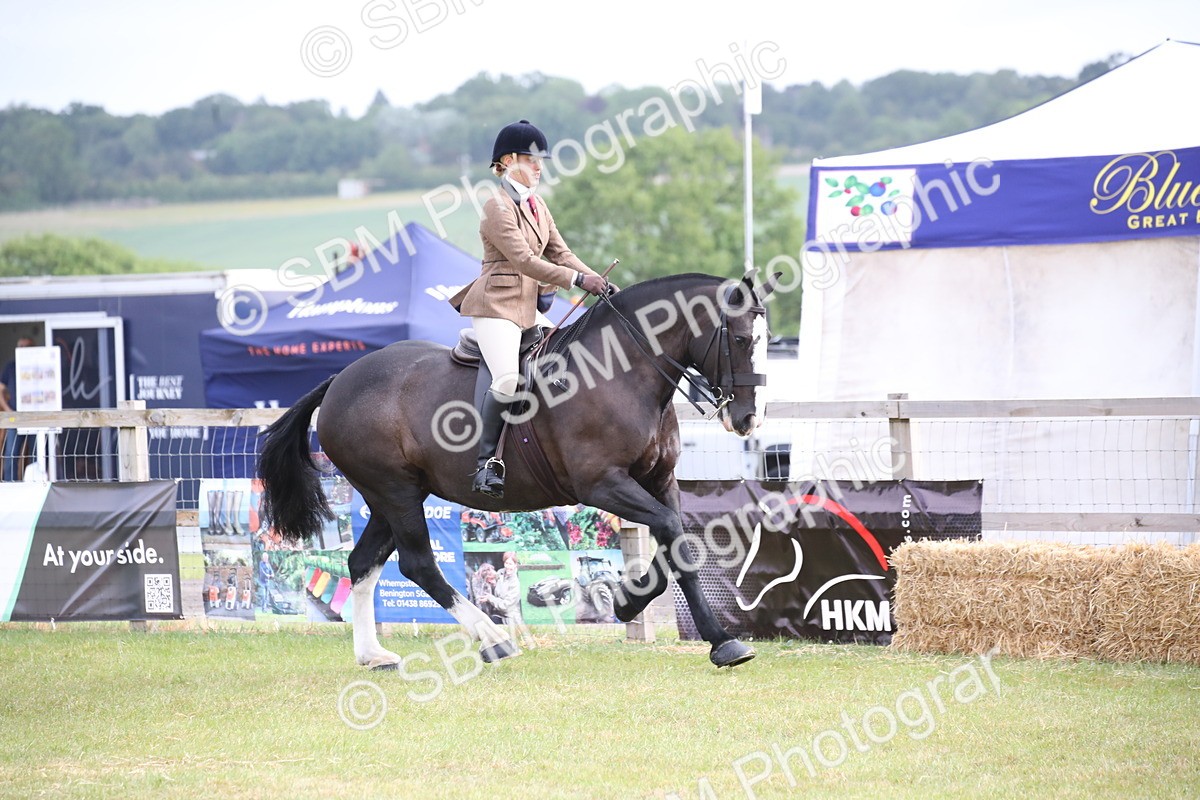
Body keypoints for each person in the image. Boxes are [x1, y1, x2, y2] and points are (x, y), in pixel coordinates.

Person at [449, 120, 616, 498]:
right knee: (507, 380)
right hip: (496, 305)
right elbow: (524, 260)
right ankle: (485, 465)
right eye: (532, 159)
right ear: (508, 161)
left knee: (567, 362)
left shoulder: (537, 205)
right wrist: (576, 282)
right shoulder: (497, 207)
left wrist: (598, 280)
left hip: (528, 306)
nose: (540, 167)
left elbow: (561, 253)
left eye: (541, 160)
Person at [0, 338, 34, 481]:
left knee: (37, 456)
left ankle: (36, 484)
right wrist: (9, 411)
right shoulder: (11, 367)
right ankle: (11, 486)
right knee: (11, 456)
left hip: (36, 417)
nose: (23, 349)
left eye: (27, 346)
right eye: (20, 346)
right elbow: (0, 389)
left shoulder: (37, 365)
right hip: (16, 418)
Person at [484, 552, 524, 627]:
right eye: (506, 563)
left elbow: (505, 606)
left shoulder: (515, 582)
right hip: (498, 613)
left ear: (516, 564)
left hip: (510, 618)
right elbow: (499, 589)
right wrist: (493, 584)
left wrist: (490, 598)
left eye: (510, 564)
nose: (507, 567)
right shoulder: (500, 573)